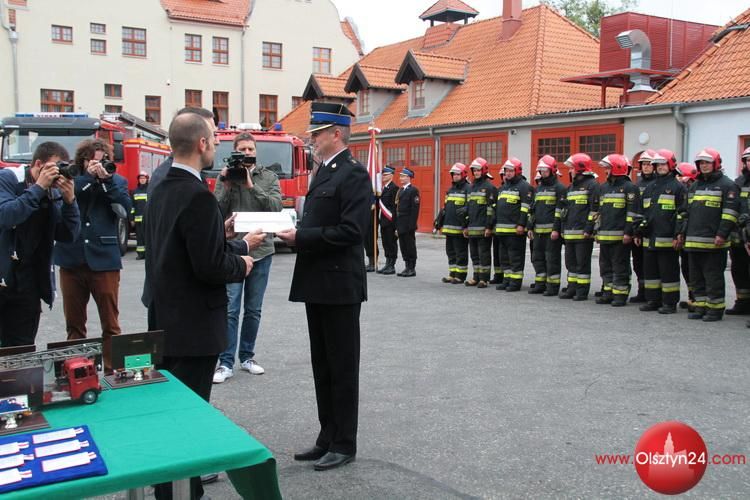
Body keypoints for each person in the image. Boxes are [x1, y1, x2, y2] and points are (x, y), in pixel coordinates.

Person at [146, 112, 253, 498]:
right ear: (202, 143)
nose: (218, 147)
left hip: (166, 321)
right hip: (194, 328)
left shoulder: (161, 186)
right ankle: (183, 492)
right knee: (188, 421)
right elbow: (209, 267)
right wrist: (242, 263)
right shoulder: (197, 195)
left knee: (172, 417)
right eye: (214, 139)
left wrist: (225, 238)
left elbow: (176, 248)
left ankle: (172, 488)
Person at [276, 102, 370, 471]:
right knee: (323, 365)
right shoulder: (325, 171)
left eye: (317, 133)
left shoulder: (353, 174)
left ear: (336, 133)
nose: (312, 139)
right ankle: (327, 436)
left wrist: (301, 237)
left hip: (339, 285)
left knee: (342, 366)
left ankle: (344, 442)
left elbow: (351, 231)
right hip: (318, 282)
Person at [54, 139, 131, 370]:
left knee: (111, 323)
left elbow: (125, 209)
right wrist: (89, 177)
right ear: (83, 160)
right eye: (93, 160)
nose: (98, 165)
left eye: (102, 160)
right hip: (72, 258)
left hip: (104, 259)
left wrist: (106, 181)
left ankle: (112, 370)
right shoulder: (72, 178)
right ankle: (78, 371)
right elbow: (71, 196)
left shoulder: (117, 181)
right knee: (74, 324)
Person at [212, 132, 282, 383]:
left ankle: (247, 357)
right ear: (235, 152)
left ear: (255, 151)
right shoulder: (226, 176)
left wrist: (252, 186)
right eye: (242, 149)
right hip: (233, 251)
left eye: (250, 149)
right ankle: (225, 362)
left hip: (261, 250)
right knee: (230, 309)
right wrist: (227, 185)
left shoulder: (269, 176)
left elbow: (276, 207)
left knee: (253, 309)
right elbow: (215, 210)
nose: (247, 153)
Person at [0, 142, 79, 347]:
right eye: (54, 168)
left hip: (27, 283)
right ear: (38, 164)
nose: (57, 175)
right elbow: (6, 216)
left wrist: (70, 202)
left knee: (21, 350)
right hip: (3, 273)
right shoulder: (9, 178)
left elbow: (68, 235)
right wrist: (38, 188)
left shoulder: (52, 191)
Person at [679, 148, 739, 321]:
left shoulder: (727, 185)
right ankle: (700, 306)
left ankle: (715, 309)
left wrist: (722, 234)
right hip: (693, 241)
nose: (704, 166)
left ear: (716, 163)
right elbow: (686, 212)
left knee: (713, 277)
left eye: (707, 163)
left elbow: (730, 213)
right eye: (701, 163)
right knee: (696, 278)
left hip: (714, 242)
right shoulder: (695, 185)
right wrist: (681, 232)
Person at [637, 149, 686, 314]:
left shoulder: (678, 187)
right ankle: (653, 300)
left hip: (667, 240)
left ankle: (669, 303)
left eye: (663, 164)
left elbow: (682, 213)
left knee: (668, 273)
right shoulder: (650, 188)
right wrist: (638, 231)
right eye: (657, 165)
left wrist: (678, 234)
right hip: (649, 239)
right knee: (651, 273)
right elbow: (642, 212)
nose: (660, 167)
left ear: (671, 165)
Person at [595, 154, 640, 307]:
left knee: (620, 266)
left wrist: (628, 232)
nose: (605, 171)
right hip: (605, 236)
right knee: (605, 267)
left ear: (617, 168)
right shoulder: (603, 187)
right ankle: (608, 292)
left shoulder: (630, 188)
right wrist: (597, 231)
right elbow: (600, 212)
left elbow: (632, 213)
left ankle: (620, 294)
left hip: (620, 237)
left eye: (608, 168)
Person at [558, 153, 599, 301]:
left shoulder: (592, 185)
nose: (570, 171)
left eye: (572, 168)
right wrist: (563, 229)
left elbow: (594, 210)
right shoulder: (571, 187)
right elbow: (565, 211)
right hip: (570, 232)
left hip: (583, 233)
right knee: (571, 263)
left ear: (580, 169)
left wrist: (589, 229)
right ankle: (572, 288)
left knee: (582, 264)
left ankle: (582, 291)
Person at [493, 157, 532, 292]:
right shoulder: (503, 187)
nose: (508, 173)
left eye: (511, 171)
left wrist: (521, 224)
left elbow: (525, 208)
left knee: (515, 257)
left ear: (517, 171)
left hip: (515, 231)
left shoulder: (524, 186)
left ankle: (515, 283)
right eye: (506, 171)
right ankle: (507, 280)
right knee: (504, 258)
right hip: (502, 230)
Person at [529, 155, 565, 296]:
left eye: (545, 170)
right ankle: (540, 284)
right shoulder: (538, 188)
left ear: (552, 170)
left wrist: (556, 229)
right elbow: (533, 209)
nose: (543, 173)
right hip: (538, 231)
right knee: (537, 258)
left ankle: (552, 286)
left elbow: (560, 211)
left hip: (551, 232)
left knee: (552, 259)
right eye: (541, 170)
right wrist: (530, 227)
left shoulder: (559, 188)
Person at [465, 158, 497, 288]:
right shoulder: (471, 187)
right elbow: (468, 208)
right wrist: (466, 226)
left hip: (483, 227)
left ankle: (484, 279)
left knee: (484, 254)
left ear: (483, 170)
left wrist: (489, 227)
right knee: (474, 254)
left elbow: (491, 209)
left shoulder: (489, 187)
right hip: (472, 226)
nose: (476, 172)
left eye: (478, 170)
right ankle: (476, 277)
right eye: (474, 170)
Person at [726, 146, 750, 315]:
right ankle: (742, 302)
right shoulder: (739, 182)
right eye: (748, 160)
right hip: (738, 236)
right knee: (739, 270)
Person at [437, 163, 470, 284]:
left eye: (457, 174)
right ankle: (452, 273)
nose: (455, 176)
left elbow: (470, 208)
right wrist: (439, 220)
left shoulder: (468, 189)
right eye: (454, 174)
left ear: (463, 175)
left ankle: (460, 275)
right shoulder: (451, 190)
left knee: (460, 252)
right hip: (449, 227)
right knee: (450, 252)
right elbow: (445, 207)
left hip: (460, 228)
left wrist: (466, 226)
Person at [631, 150, 657, 303]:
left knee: (651, 265)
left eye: (649, 164)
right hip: (639, 230)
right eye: (644, 164)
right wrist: (636, 231)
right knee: (638, 263)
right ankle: (642, 291)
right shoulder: (637, 184)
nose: (646, 167)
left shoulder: (657, 184)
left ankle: (652, 293)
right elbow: (635, 209)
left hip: (652, 230)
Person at [675, 162, 698, 311]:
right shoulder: (684, 192)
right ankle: (692, 297)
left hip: (693, 236)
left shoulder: (691, 191)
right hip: (685, 235)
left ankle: (697, 298)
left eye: (679, 175)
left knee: (694, 269)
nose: (677, 178)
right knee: (686, 268)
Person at [395, 167, 420, 277]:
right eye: (400, 176)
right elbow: (397, 208)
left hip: (408, 224)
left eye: (403, 176)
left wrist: (412, 225)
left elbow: (415, 210)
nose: (401, 178)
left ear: (409, 177)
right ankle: (406, 266)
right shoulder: (400, 190)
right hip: (400, 223)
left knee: (410, 246)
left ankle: (412, 268)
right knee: (403, 246)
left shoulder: (413, 190)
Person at [376, 166, 398, 275]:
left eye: (385, 175)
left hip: (390, 221)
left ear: (391, 175)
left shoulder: (394, 188)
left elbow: (394, 207)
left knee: (391, 243)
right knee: (385, 243)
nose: (383, 177)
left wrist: (394, 223)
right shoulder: (384, 188)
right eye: (383, 175)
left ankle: (392, 265)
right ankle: (387, 263)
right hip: (383, 221)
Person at [130, 171, 149, 260]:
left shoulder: (150, 190)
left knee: (148, 237)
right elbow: (132, 207)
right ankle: (140, 254)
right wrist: (131, 219)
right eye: (140, 178)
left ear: (147, 179)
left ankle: (148, 254)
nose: (142, 180)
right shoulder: (134, 191)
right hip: (138, 220)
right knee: (140, 237)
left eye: (144, 178)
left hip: (148, 219)